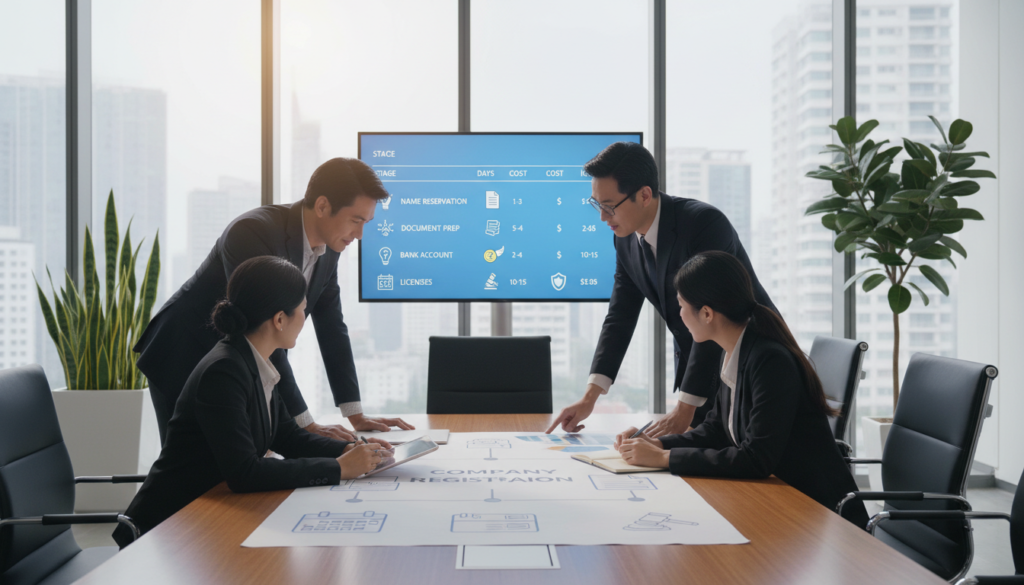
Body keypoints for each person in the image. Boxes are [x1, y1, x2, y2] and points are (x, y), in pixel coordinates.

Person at [114, 257, 393, 547]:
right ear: (280, 319)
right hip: (168, 530)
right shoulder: (223, 371)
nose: (304, 317)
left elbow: (287, 436)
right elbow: (244, 473)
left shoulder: (256, 359)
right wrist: (339, 468)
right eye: (302, 309)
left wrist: (352, 450)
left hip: (211, 514)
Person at [135, 157, 411, 445]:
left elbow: (331, 324)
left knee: (236, 469)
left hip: (236, 366)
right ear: (322, 206)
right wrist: (305, 422)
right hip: (184, 353)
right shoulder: (253, 232)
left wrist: (354, 414)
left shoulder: (330, 249)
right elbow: (265, 326)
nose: (361, 234)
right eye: (356, 220)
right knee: (190, 470)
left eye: (366, 223)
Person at [614, 251, 868, 527]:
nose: (679, 315)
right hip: (780, 501)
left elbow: (756, 459)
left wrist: (664, 458)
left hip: (818, 514)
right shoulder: (735, 350)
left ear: (707, 313)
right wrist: (658, 443)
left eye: (681, 305)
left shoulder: (770, 360)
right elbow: (717, 430)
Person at [548, 142, 776, 437]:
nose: (603, 217)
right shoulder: (626, 239)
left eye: (609, 206)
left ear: (644, 195)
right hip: (697, 374)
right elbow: (620, 316)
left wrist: (684, 408)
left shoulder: (703, 224)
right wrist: (589, 397)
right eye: (597, 205)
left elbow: (711, 316)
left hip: (751, 367)